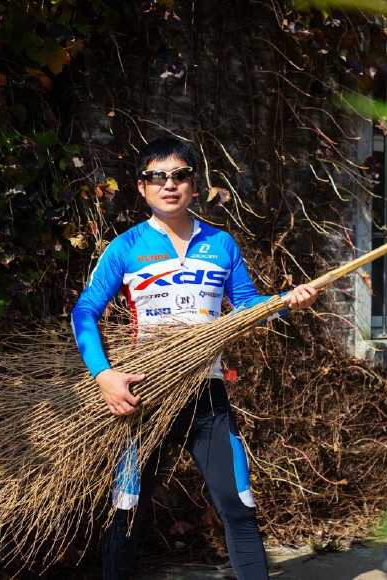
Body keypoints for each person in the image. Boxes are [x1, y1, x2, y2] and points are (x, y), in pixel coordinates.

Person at [71, 137, 318, 580]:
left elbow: (245, 307)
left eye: (180, 175)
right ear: (142, 186)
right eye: (157, 177)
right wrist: (104, 376)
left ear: (194, 184)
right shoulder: (125, 247)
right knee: (125, 511)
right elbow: (84, 312)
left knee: (240, 507)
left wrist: (285, 301)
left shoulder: (221, 245)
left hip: (207, 396)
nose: (170, 185)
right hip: (145, 398)